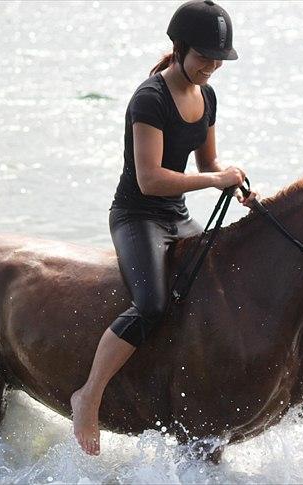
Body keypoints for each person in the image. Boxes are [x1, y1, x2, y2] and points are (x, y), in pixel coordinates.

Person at [70, 0, 256, 456]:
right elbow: (151, 178)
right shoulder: (150, 99)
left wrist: (233, 183)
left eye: (219, 59)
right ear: (178, 48)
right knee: (152, 303)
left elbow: (208, 164)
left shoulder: (206, 96)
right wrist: (214, 180)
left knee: (219, 287)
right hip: (138, 216)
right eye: (204, 57)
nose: (212, 66)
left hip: (176, 214)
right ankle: (89, 394)